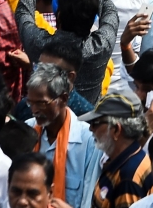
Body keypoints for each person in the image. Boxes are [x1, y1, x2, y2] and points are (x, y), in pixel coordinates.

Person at [25, 64, 101, 208]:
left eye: (41, 103)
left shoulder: (89, 140)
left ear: (63, 99)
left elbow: (88, 200)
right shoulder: (28, 130)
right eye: (30, 103)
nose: (34, 110)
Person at [82, 93, 153, 208]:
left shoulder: (128, 179)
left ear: (116, 130)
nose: (91, 128)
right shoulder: (121, 161)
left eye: (96, 123)